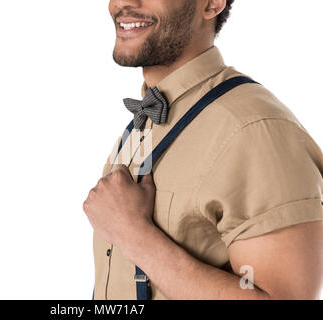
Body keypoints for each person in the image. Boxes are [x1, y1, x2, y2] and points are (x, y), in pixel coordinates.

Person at [83, 0, 323, 300]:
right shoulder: (145, 122)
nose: (121, 3)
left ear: (211, 4)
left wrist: (134, 235)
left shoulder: (253, 130)